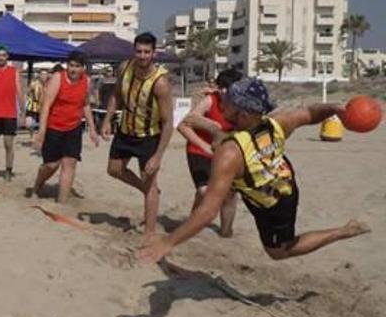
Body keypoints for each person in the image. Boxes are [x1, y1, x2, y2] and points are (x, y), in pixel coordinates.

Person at [139, 77, 370, 263]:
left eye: (228, 101)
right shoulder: (277, 122)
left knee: (279, 252)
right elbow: (310, 113)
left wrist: (167, 242)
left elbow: (209, 211)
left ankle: (342, 231)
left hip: (274, 204)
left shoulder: (230, 154)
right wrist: (334, 109)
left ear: (243, 113)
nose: (223, 102)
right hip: (279, 180)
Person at [102, 32, 173, 242]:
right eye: (139, 51)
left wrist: (158, 156)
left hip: (149, 137)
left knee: (150, 181)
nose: (142, 56)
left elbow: (168, 122)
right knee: (114, 169)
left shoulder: (160, 82)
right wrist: (107, 119)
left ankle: (149, 233)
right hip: (125, 131)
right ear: (134, 51)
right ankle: (148, 190)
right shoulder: (125, 68)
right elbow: (116, 95)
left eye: (147, 52)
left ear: (154, 53)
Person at [177, 69, 243, 237]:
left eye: (228, 88)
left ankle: (226, 230)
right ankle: (193, 223)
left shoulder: (241, 106)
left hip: (226, 154)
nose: (224, 91)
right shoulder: (210, 100)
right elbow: (186, 123)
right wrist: (212, 129)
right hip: (199, 149)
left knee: (229, 193)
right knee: (204, 192)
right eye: (221, 87)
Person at [32, 51, 98, 202]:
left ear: (83, 68)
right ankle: (38, 184)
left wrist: (93, 129)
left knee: (70, 163)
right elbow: (46, 105)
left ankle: (62, 202)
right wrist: (41, 131)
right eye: (71, 65)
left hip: (74, 127)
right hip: (54, 127)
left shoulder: (86, 82)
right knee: (51, 165)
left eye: (77, 66)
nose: (73, 69)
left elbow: (86, 105)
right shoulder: (58, 78)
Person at [0, 45, 24, 181]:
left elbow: (19, 92)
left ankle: (8, 171)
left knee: (8, 144)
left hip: (9, 113)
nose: (1, 57)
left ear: (7, 57)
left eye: (4, 55)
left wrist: (23, 112)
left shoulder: (14, 71)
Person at [25, 69, 49, 138]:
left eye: (45, 74)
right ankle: (32, 135)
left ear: (47, 76)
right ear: (39, 75)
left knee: (43, 124)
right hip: (32, 106)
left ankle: (41, 137)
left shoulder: (48, 85)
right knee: (29, 124)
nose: (43, 76)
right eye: (42, 74)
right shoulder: (34, 83)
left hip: (43, 107)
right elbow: (27, 93)